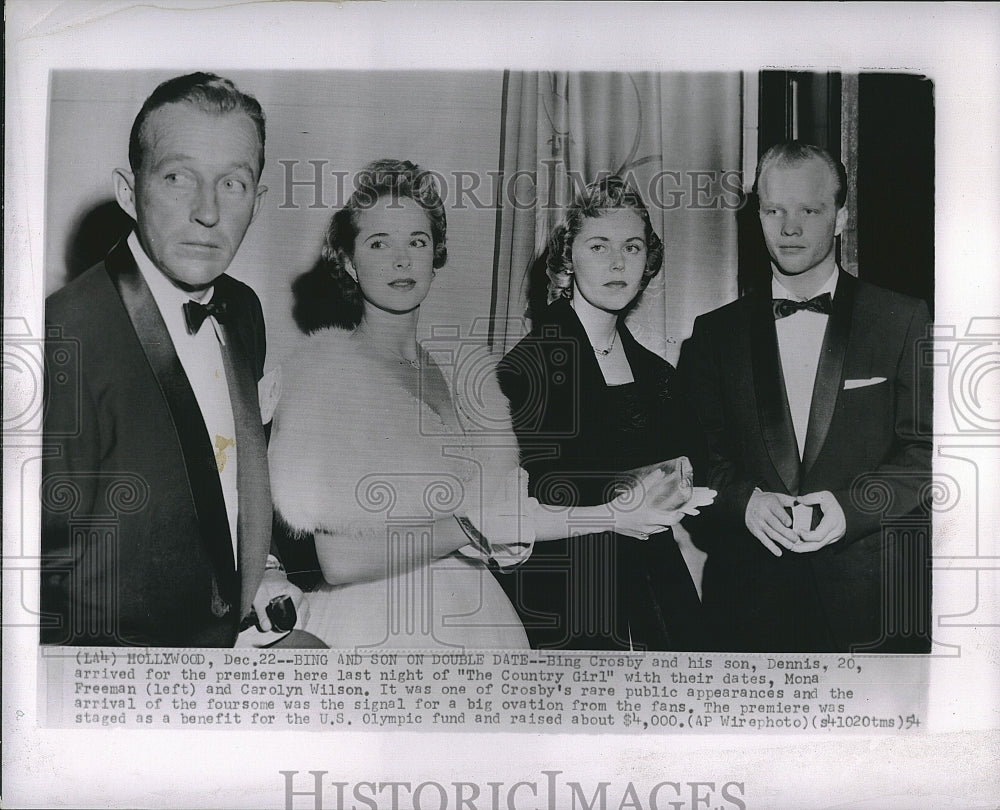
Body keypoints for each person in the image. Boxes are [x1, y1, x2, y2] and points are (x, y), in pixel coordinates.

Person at [268, 160, 706, 649]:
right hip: (383, 623)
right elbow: (339, 560)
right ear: (348, 261)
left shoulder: (452, 374)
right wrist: (467, 528)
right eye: (378, 243)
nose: (401, 260)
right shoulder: (325, 373)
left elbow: (510, 515)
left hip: (476, 611)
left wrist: (618, 514)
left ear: (436, 254)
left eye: (416, 241)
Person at [41, 73, 316, 647]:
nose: (208, 212)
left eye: (233, 184)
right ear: (128, 190)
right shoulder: (61, 336)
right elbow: (42, 585)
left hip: (233, 630)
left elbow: (230, 471)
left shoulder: (240, 307)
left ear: (257, 202)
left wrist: (261, 573)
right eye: (177, 178)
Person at [678, 141, 932, 653]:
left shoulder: (903, 320)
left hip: (876, 607)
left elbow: (927, 453)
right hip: (747, 610)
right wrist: (742, 502)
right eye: (774, 210)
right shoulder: (712, 336)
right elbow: (695, 460)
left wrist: (850, 508)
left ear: (840, 218)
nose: (789, 228)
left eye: (809, 210)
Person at [495, 176, 715, 651]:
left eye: (632, 247)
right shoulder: (526, 366)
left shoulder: (658, 373)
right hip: (565, 590)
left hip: (654, 584)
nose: (618, 262)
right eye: (599, 246)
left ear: (648, 261)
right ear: (567, 260)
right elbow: (520, 507)